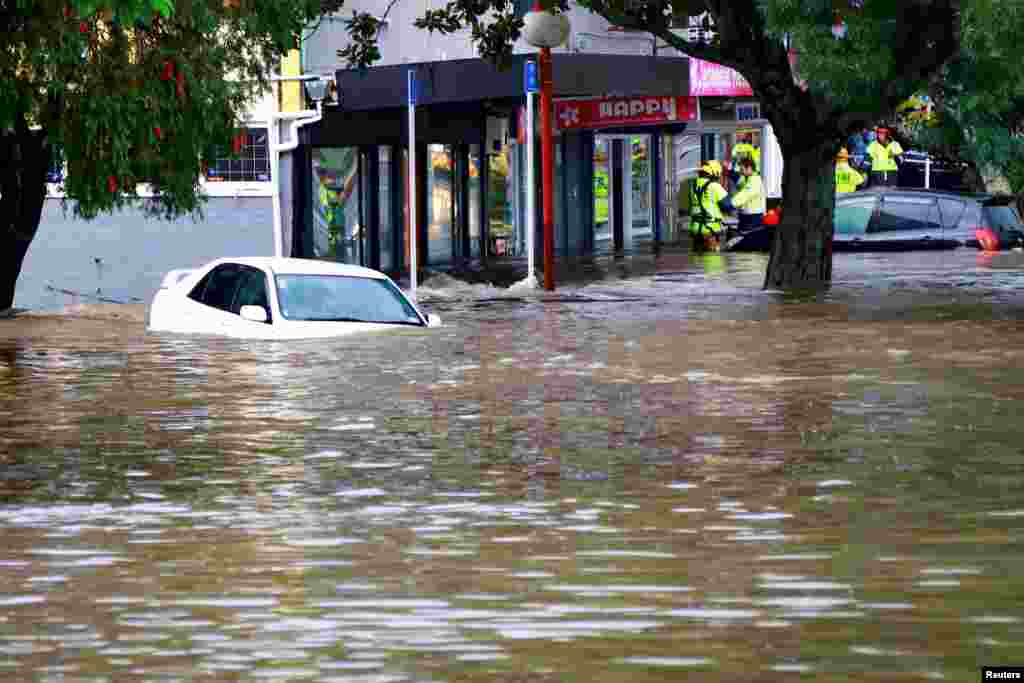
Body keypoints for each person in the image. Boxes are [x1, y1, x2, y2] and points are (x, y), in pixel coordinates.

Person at [688, 161, 732, 252]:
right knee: (712, 262)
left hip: (695, 228)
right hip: (710, 229)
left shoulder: (693, 185)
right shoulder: (714, 186)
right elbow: (728, 205)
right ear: (715, 173)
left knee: (697, 260)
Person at [729, 156, 765, 232]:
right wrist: (729, 171)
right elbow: (738, 181)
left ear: (749, 168)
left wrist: (730, 204)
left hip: (753, 217)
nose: (740, 172)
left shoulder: (755, 180)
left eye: (742, 169)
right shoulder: (745, 178)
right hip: (744, 215)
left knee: (750, 239)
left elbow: (745, 195)